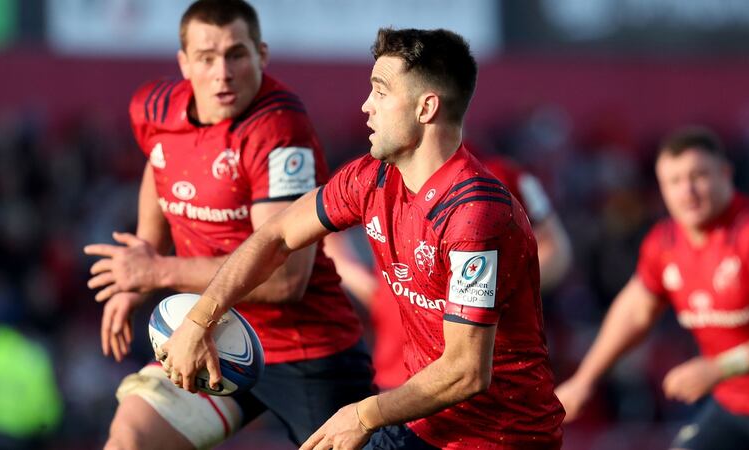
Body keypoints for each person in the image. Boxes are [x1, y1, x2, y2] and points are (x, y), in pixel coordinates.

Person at [162, 27, 565, 449]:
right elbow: (278, 234)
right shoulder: (369, 179)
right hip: (424, 424)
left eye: (381, 91)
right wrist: (199, 319)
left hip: (504, 437)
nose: (366, 105)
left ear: (426, 107)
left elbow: (466, 371)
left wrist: (362, 415)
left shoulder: (475, 212)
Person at [83, 1, 374, 448]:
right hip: (209, 336)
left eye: (236, 55)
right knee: (130, 437)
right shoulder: (155, 107)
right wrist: (143, 254)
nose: (222, 73)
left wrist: (155, 270)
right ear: (184, 63)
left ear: (262, 54)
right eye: (206, 58)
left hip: (305, 347)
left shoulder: (278, 129)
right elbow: (160, 163)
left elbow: (284, 280)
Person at [556, 126, 749, 450]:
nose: (688, 192)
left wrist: (719, 367)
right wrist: (584, 380)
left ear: (725, 174)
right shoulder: (664, 242)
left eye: (698, 176)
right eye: (675, 181)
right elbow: (634, 312)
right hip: (735, 406)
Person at [325, 152, 572, 390]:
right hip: (397, 371)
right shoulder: (373, 175)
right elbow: (327, 231)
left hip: (484, 375)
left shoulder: (500, 174)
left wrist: (486, 294)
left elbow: (555, 249)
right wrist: (375, 293)